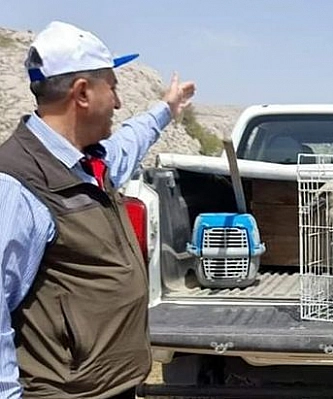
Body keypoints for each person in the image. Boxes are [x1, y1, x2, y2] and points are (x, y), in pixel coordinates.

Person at [0, 21, 195, 398]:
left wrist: (167, 109)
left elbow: (129, 141)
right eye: (113, 87)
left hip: (107, 388)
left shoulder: (89, 162)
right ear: (83, 93)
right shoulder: (17, 184)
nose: (118, 103)